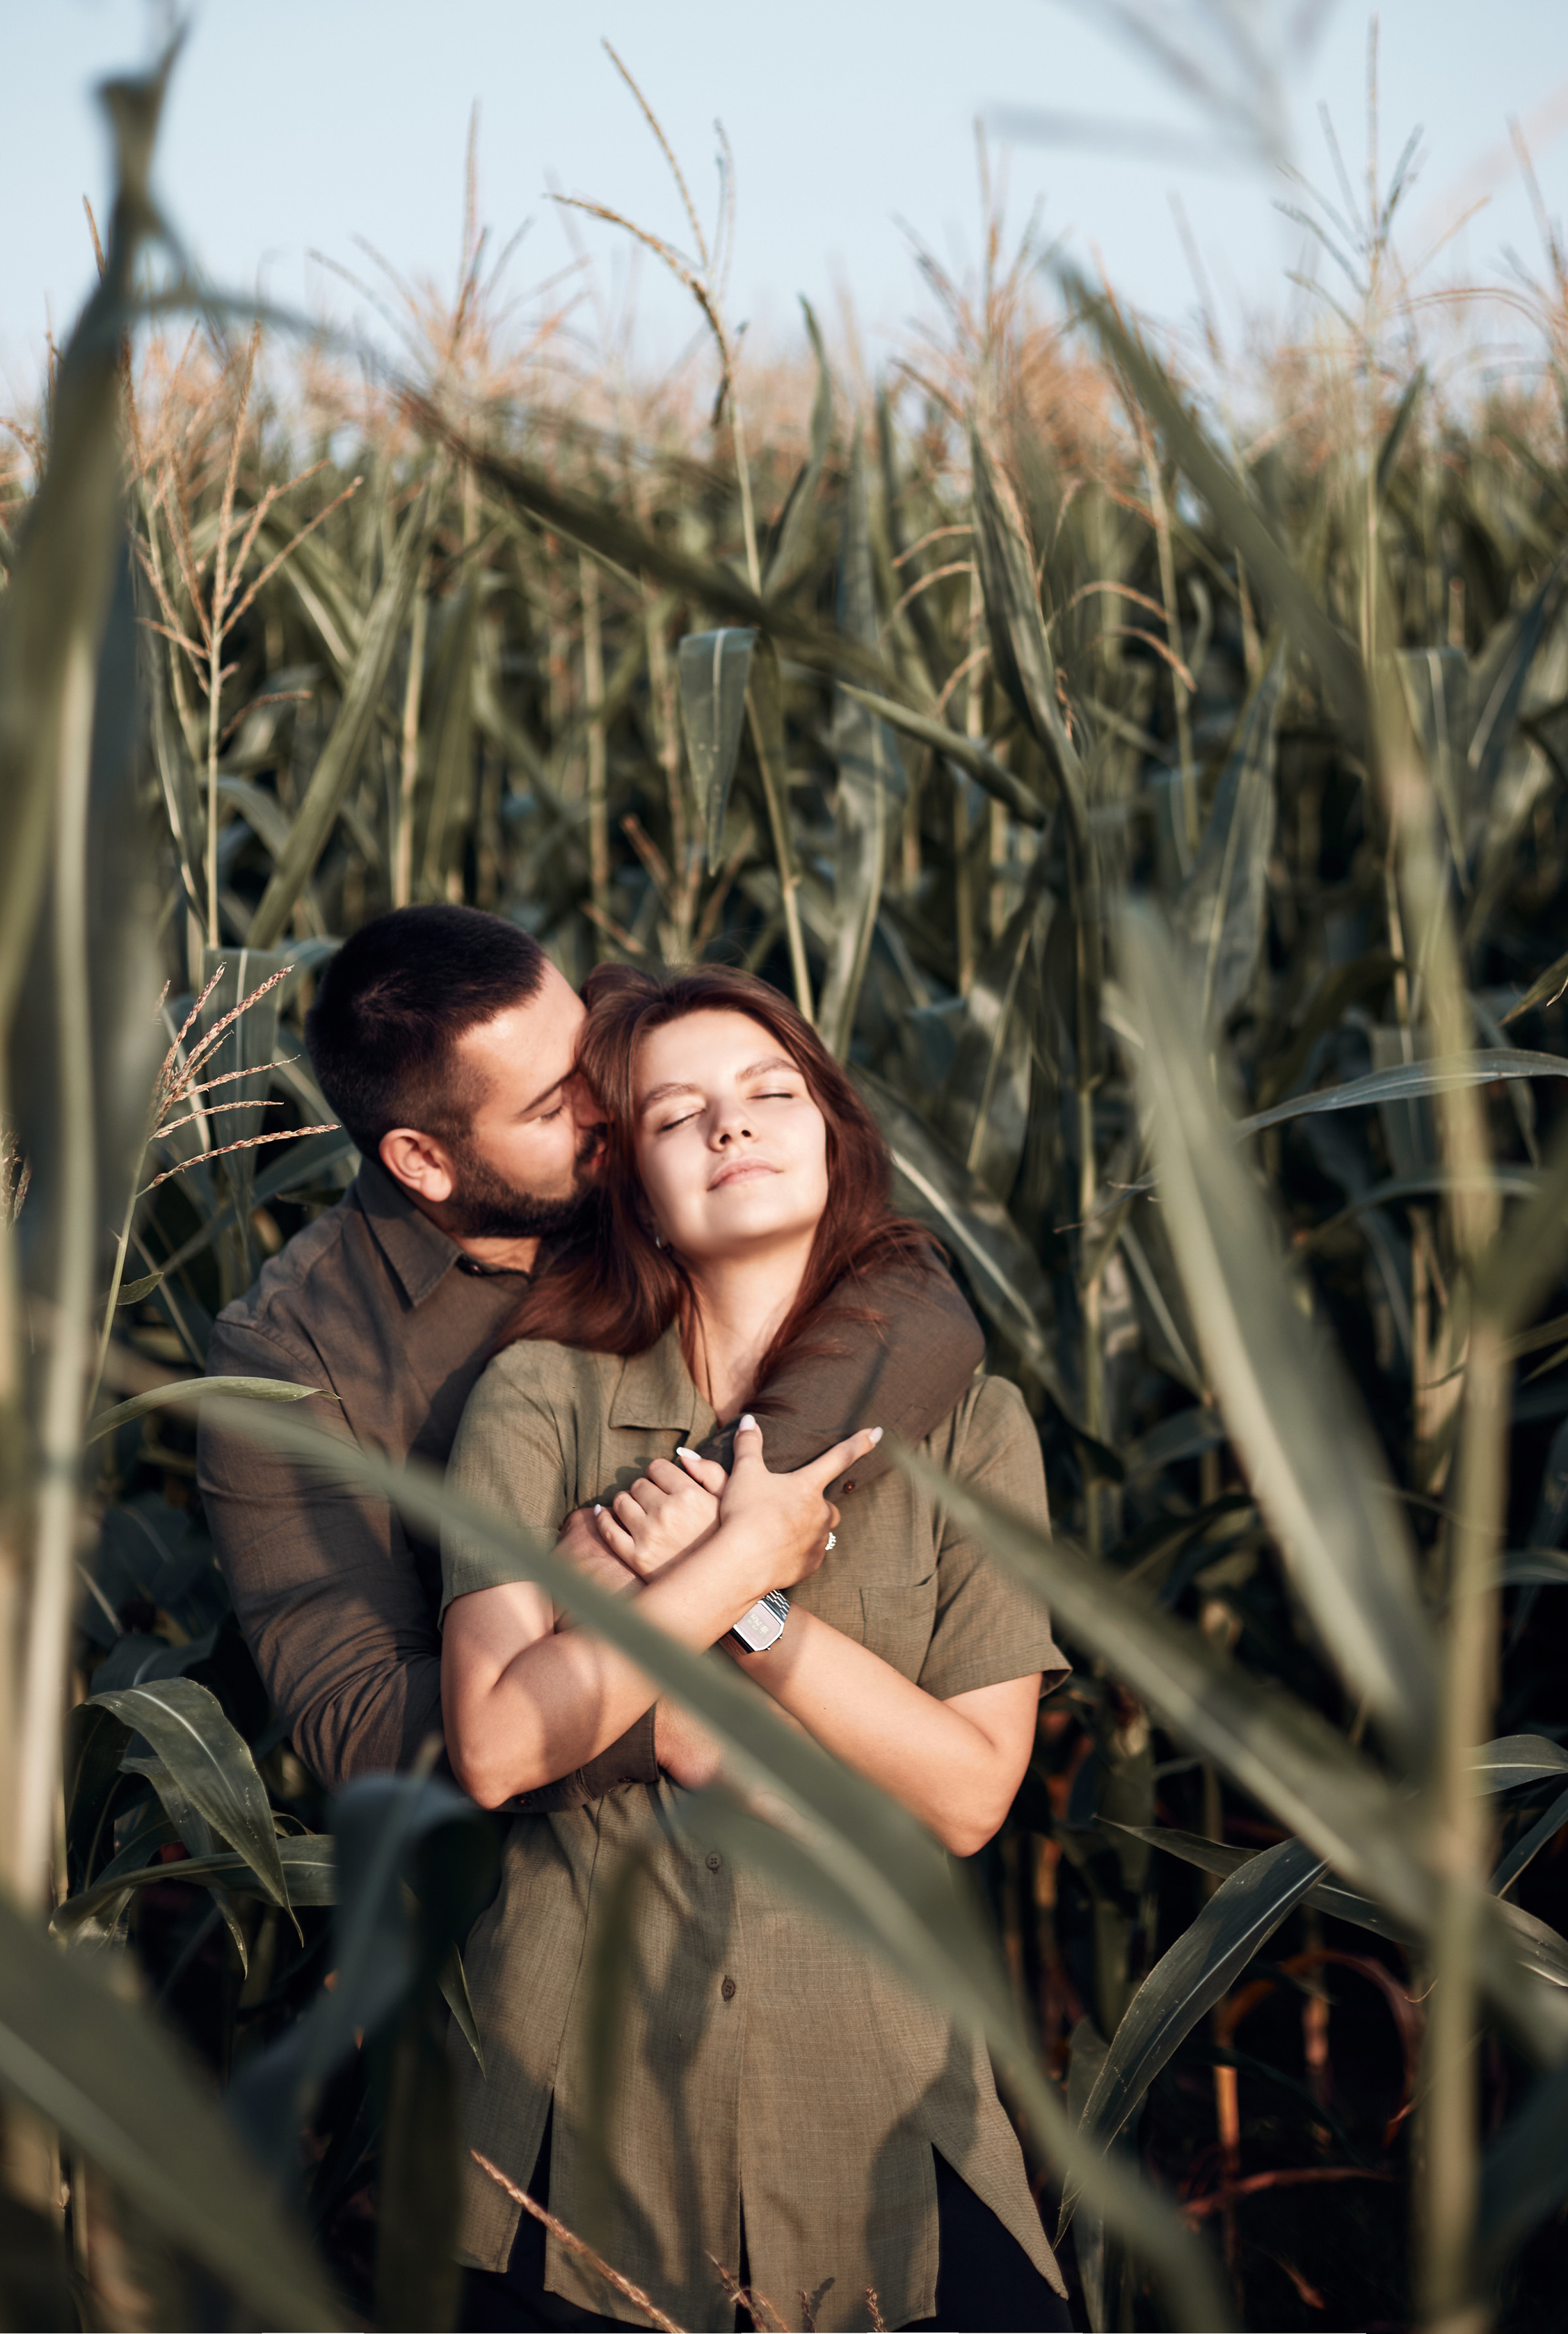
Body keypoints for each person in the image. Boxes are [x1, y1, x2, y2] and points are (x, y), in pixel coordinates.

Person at [439, 964, 1073, 2333]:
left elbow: (968, 1795)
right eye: (678, 1116)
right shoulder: (537, 1397)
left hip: (887, 2107)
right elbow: (494, 1747)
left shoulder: (977, 1429)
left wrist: (739, 1608)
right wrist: (736, 1555)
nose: (732, 1128)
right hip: (575, 2129)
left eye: (769, 1093)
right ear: (635, 1193)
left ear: (834, 1136)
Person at [197, 909, 989, 1809]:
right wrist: (666, 1716)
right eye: (548, 1107)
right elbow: (364, 1725)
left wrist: (683, 1528)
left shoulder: (653, 1161)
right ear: (422, 1160)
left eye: (586, 1063)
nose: (601, 1106)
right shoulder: (284, 1359)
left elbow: (913, 1296)